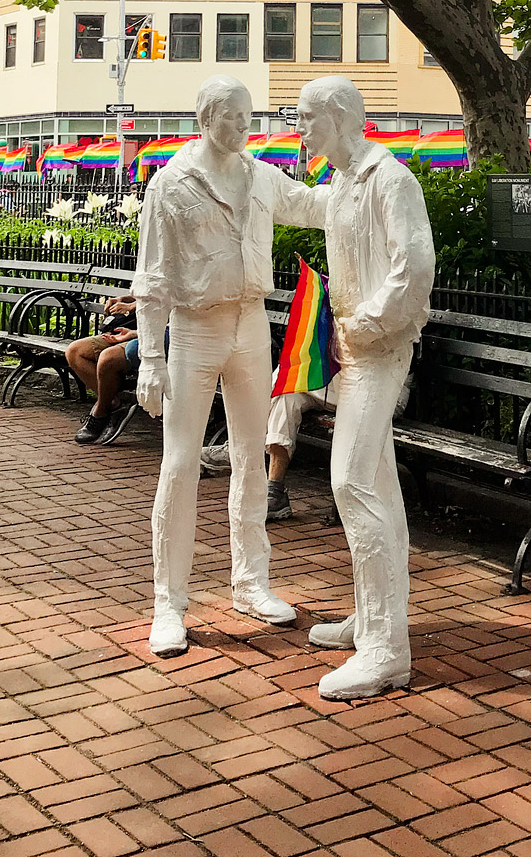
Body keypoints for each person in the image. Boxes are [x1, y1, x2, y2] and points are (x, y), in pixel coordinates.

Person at [132, 75, 327, 658]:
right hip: (194, 329)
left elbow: (313, 204)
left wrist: (365, 175)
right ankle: (168, 601)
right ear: (205, 118)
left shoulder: (260, 174)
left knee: (251, 454)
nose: (246, 127)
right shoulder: (171, 183)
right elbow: (153, 277)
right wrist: (150, 356)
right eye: (235, 117)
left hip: (250, 325)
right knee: (181, 462)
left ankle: (251, 582)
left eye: (249, 117)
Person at [295, 76, 435, 701]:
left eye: (307, 119)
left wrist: (366, 323)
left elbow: (415, 267)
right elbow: (296, 206)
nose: (301, 131)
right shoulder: (343, 182)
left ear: (339, 116)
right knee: (376, 482)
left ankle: (386, 651)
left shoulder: (390, 179)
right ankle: (375, 616)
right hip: (355, 351)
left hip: (379, 351)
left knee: (350, 480)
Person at [264, 366, 413, 519]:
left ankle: (362, 505)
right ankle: (275, 490)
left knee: (286, 380)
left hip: (380, 390)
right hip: (338, 382)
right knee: (286, 393)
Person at [65, 295, 140, 446]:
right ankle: (112, 404)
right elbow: (145, 291)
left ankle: (100, 412)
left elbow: (168, 298)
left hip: (153, 334)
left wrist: (132, 306)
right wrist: (124, 299)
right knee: (75, 351)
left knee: (107, 359)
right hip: (129, 328)